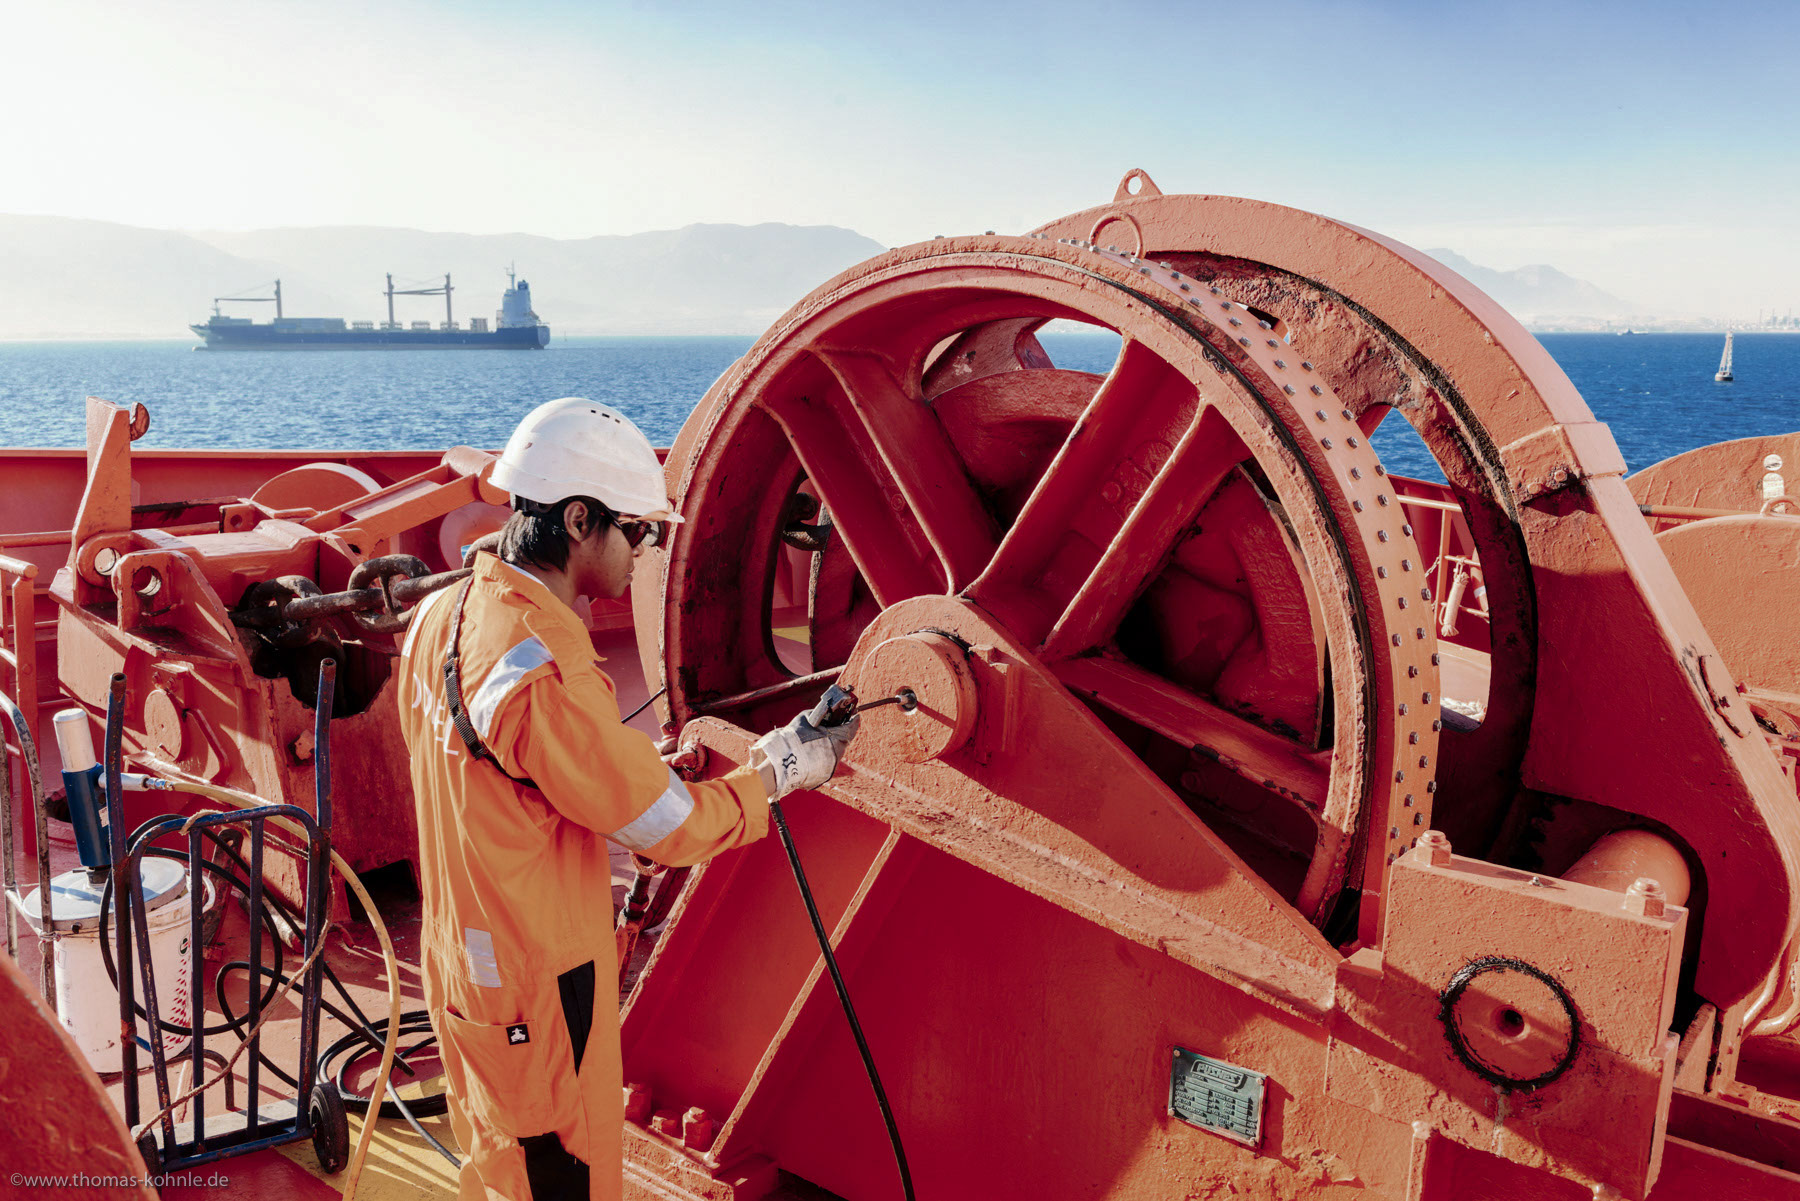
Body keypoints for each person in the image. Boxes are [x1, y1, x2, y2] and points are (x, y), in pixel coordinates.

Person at [397, 397, 857, 1200]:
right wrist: (785, 765)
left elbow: (506, 771)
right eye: (637, 531)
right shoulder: (542, 672)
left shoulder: (443, 616)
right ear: (580, 520)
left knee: (499, 1168)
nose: (644, 552)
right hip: (539, 991)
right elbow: (669, 828)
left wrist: (622, 763)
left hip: (465, 966)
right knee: (559, 1181)